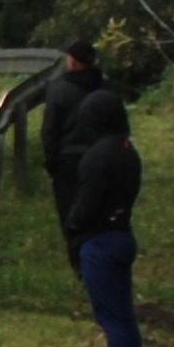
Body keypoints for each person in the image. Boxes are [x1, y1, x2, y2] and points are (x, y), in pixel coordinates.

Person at [67, 88, 143, 347]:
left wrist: (73, 224)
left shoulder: (97, 157)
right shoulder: (128, 150)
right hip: (122, 235)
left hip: (100, 243)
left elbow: (86, 206)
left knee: (112, 319)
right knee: (124, 316)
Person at [41, 38, 104, 265]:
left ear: (73, 62)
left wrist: (51, 162)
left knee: (70, 213)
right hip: (99, 159)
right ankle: (96, 256)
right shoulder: (103, 88)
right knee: (97, 211)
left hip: (68, 161)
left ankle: (79, 262)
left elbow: (50, 130)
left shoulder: (59, 89)